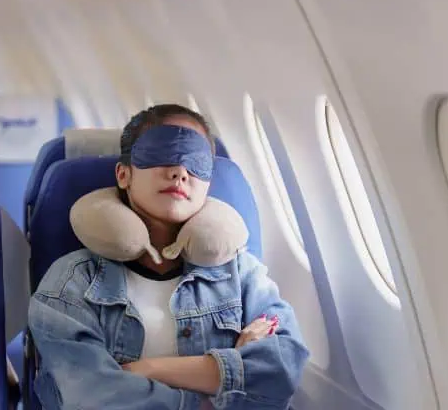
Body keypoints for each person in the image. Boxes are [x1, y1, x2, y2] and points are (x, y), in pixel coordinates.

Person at [27, 104, 310, 409]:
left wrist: (148, 369)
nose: (179, 172)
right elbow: (92, 396)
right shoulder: (71, 281)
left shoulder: (242, 275)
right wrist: (214, 392)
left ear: (208, 184)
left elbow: (282, 368)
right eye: (159, 153)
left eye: (196, 161)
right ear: (124, 175)